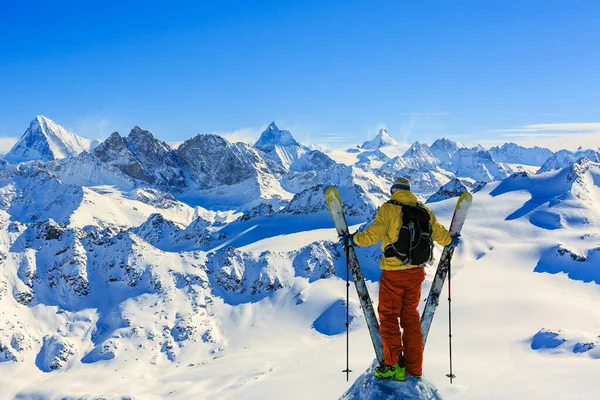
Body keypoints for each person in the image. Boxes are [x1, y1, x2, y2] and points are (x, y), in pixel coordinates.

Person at [341, 177, 460, 381]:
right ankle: (414, 368)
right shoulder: (423, 210)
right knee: (410, 317)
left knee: (388, 317)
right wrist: (450, 241)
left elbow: (372, 235)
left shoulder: (389, 209)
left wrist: (352, 239)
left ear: (394, 191)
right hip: (416, 274)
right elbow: (441, 234)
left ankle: (393, 365)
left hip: (393, 274)